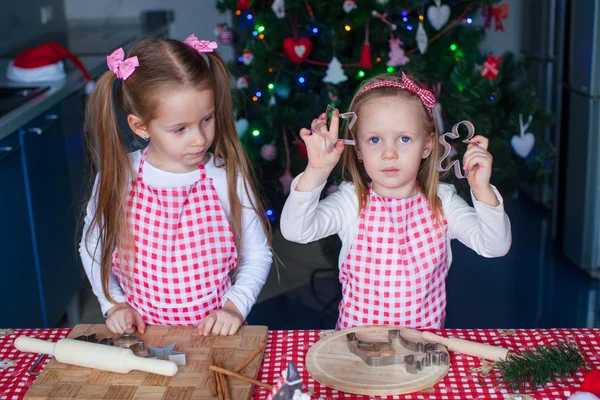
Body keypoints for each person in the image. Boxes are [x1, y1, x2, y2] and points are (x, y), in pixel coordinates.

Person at [280, 72, 511, 330]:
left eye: (404, 139)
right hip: (355, 353)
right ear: (358, 149)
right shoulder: (350, 202)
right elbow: (295, 231)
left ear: (427, 145)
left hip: (422, 356)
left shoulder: (442, 202)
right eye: (375, 140)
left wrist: (481, 189)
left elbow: (495, 246)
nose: (389, 153)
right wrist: (317, 170)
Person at [80, 35, 272, 336]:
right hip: (144, 337)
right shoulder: (120, 176)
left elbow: (258, 254)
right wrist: (114, 304)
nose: (199, 138)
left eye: (206, 119)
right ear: (140, 127)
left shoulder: (225, 176)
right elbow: (92, 247)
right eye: (180, 129)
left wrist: (234, 307)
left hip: (214, 338)